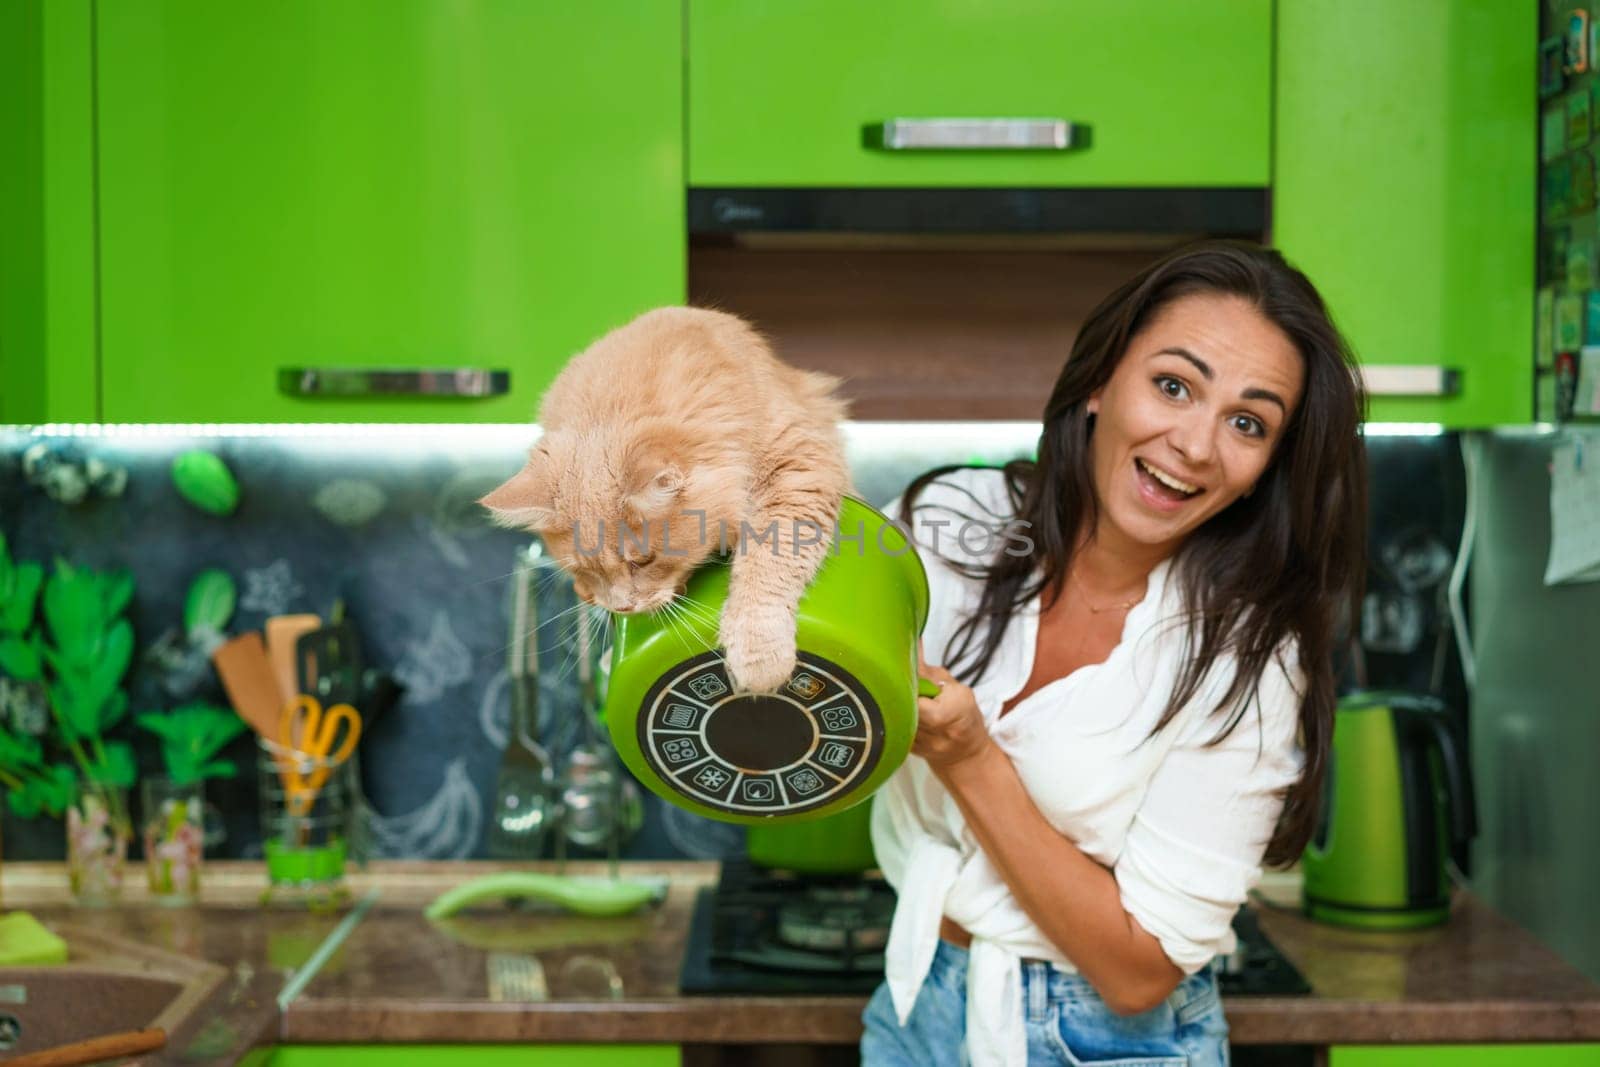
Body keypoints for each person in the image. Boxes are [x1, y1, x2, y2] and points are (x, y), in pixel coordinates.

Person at [860, 241, 1368, 1066]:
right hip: (918, 998)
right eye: (1174, 385)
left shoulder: (1246, 660)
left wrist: (969, 755)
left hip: (1108, 1040)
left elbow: (1139, 972)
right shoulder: (949, 525)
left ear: (1266, 467)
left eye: (1248, 422)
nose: (1197, 444)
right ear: (1100, 382)